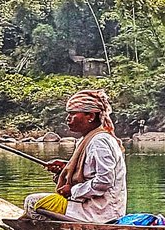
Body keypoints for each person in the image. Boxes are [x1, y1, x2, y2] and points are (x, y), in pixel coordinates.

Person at [23, 89, 127, 222]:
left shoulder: (99, 141)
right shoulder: (89, 139)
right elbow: (91, 172)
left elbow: (104, 181)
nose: (68, 119)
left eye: (73, 114)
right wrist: (66, 169)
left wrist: (72, 190)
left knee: (32, 202)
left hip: (99, 212)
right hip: (92, 207)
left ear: (90, 116)